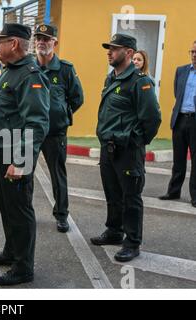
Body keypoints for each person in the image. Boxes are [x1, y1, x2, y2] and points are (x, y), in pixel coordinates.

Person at [0, 23, 50, 285]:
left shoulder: (29, 75)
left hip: (14, 156)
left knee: (20, 211)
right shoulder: (12, 71)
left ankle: (23, 268)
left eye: (0, 41)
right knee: (8, 208)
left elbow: (36, 123)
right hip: (2, 152)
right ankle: (12, 251)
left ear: (13, 44)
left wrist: (20, 161)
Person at [90, 34, 161, 262]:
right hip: (109, 148)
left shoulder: (140, 81)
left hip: (128, 150)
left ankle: (132, 242)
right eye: (108, 49)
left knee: (131, 197)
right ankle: (114, 231)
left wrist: (135, 140)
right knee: (113, 194)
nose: (109, 52)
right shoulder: (111, 78)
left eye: (114, 49)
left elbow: (152, 118)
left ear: (129, 53)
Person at [34, 24, 84, 233]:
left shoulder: (65, 70)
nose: (42, 42)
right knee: (24, 173)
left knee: (57, 174)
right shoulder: (29, 67)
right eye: (38, 38)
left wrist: (62, 113)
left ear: (55, 42)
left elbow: (77, 98)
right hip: (32, 132)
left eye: (46, 39)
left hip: (55, 133)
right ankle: (25, 214)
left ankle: (62, 214)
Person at [158, 41, 196, 206]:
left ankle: (195, 196)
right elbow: (177, 93)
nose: (194, 55)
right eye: (192, 51)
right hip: (180, 119)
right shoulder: (181, 71)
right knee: (178, 159)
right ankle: (173, 191)